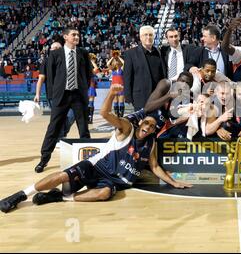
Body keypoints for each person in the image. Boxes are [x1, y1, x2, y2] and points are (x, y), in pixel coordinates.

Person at [0, 84, 192, 213]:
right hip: (96, 167)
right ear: (141, 122)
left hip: (113, 181)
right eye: (147, 123)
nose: (148, 127)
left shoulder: (151, 144)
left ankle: (61, 198)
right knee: (61, 176)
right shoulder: (127, 128)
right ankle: (20, 194)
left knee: (104, 194)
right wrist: (111, 94)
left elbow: (155, 167)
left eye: (152, 127)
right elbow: (104, 113)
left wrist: (174, 183)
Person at [35, 27, 92, 173]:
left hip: (79, 95)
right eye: (73, 34)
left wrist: (84, 89)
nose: (77, 36)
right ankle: (44, 159)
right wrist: (53, 95)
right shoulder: (55, 55)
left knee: (83, 128)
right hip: (61, 96)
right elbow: (51, 78)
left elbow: (88, 74)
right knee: (53, 128)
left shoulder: (83, 53)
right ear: (65, 37)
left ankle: (89, 160)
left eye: (78, 34)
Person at [123, 25, 166, 111]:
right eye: (145, 35)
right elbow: (127, 77)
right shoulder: (130, 53)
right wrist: (128, 97)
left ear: (154, 36)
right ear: (140, 37)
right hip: (140, 98)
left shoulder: (159, 53)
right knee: (143, 123)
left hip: (158, 97)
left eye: (150, 35)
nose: (148, 37)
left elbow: (162, 75)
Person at [107, 50, 125, 117]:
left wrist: (118, 57)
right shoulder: (112, 70)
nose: (116, 62)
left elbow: (124, 62)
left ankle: (121, 116)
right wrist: (113, 57)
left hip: (121, 86)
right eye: (115, 62)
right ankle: (117, 116)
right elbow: (108, 64)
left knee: (121, 102)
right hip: (114, 87)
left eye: (117, 61)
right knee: (115, 101)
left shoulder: (122, 69)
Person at [87, 53, 100, 124]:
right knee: (90, 103)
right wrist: (92, 61)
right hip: (89, 86)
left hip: (88, 86)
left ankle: (89, 118)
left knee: (89, 103)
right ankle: (90, 118)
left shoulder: (86, 68)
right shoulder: (88, 69)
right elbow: (96, 69)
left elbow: (96, 69)